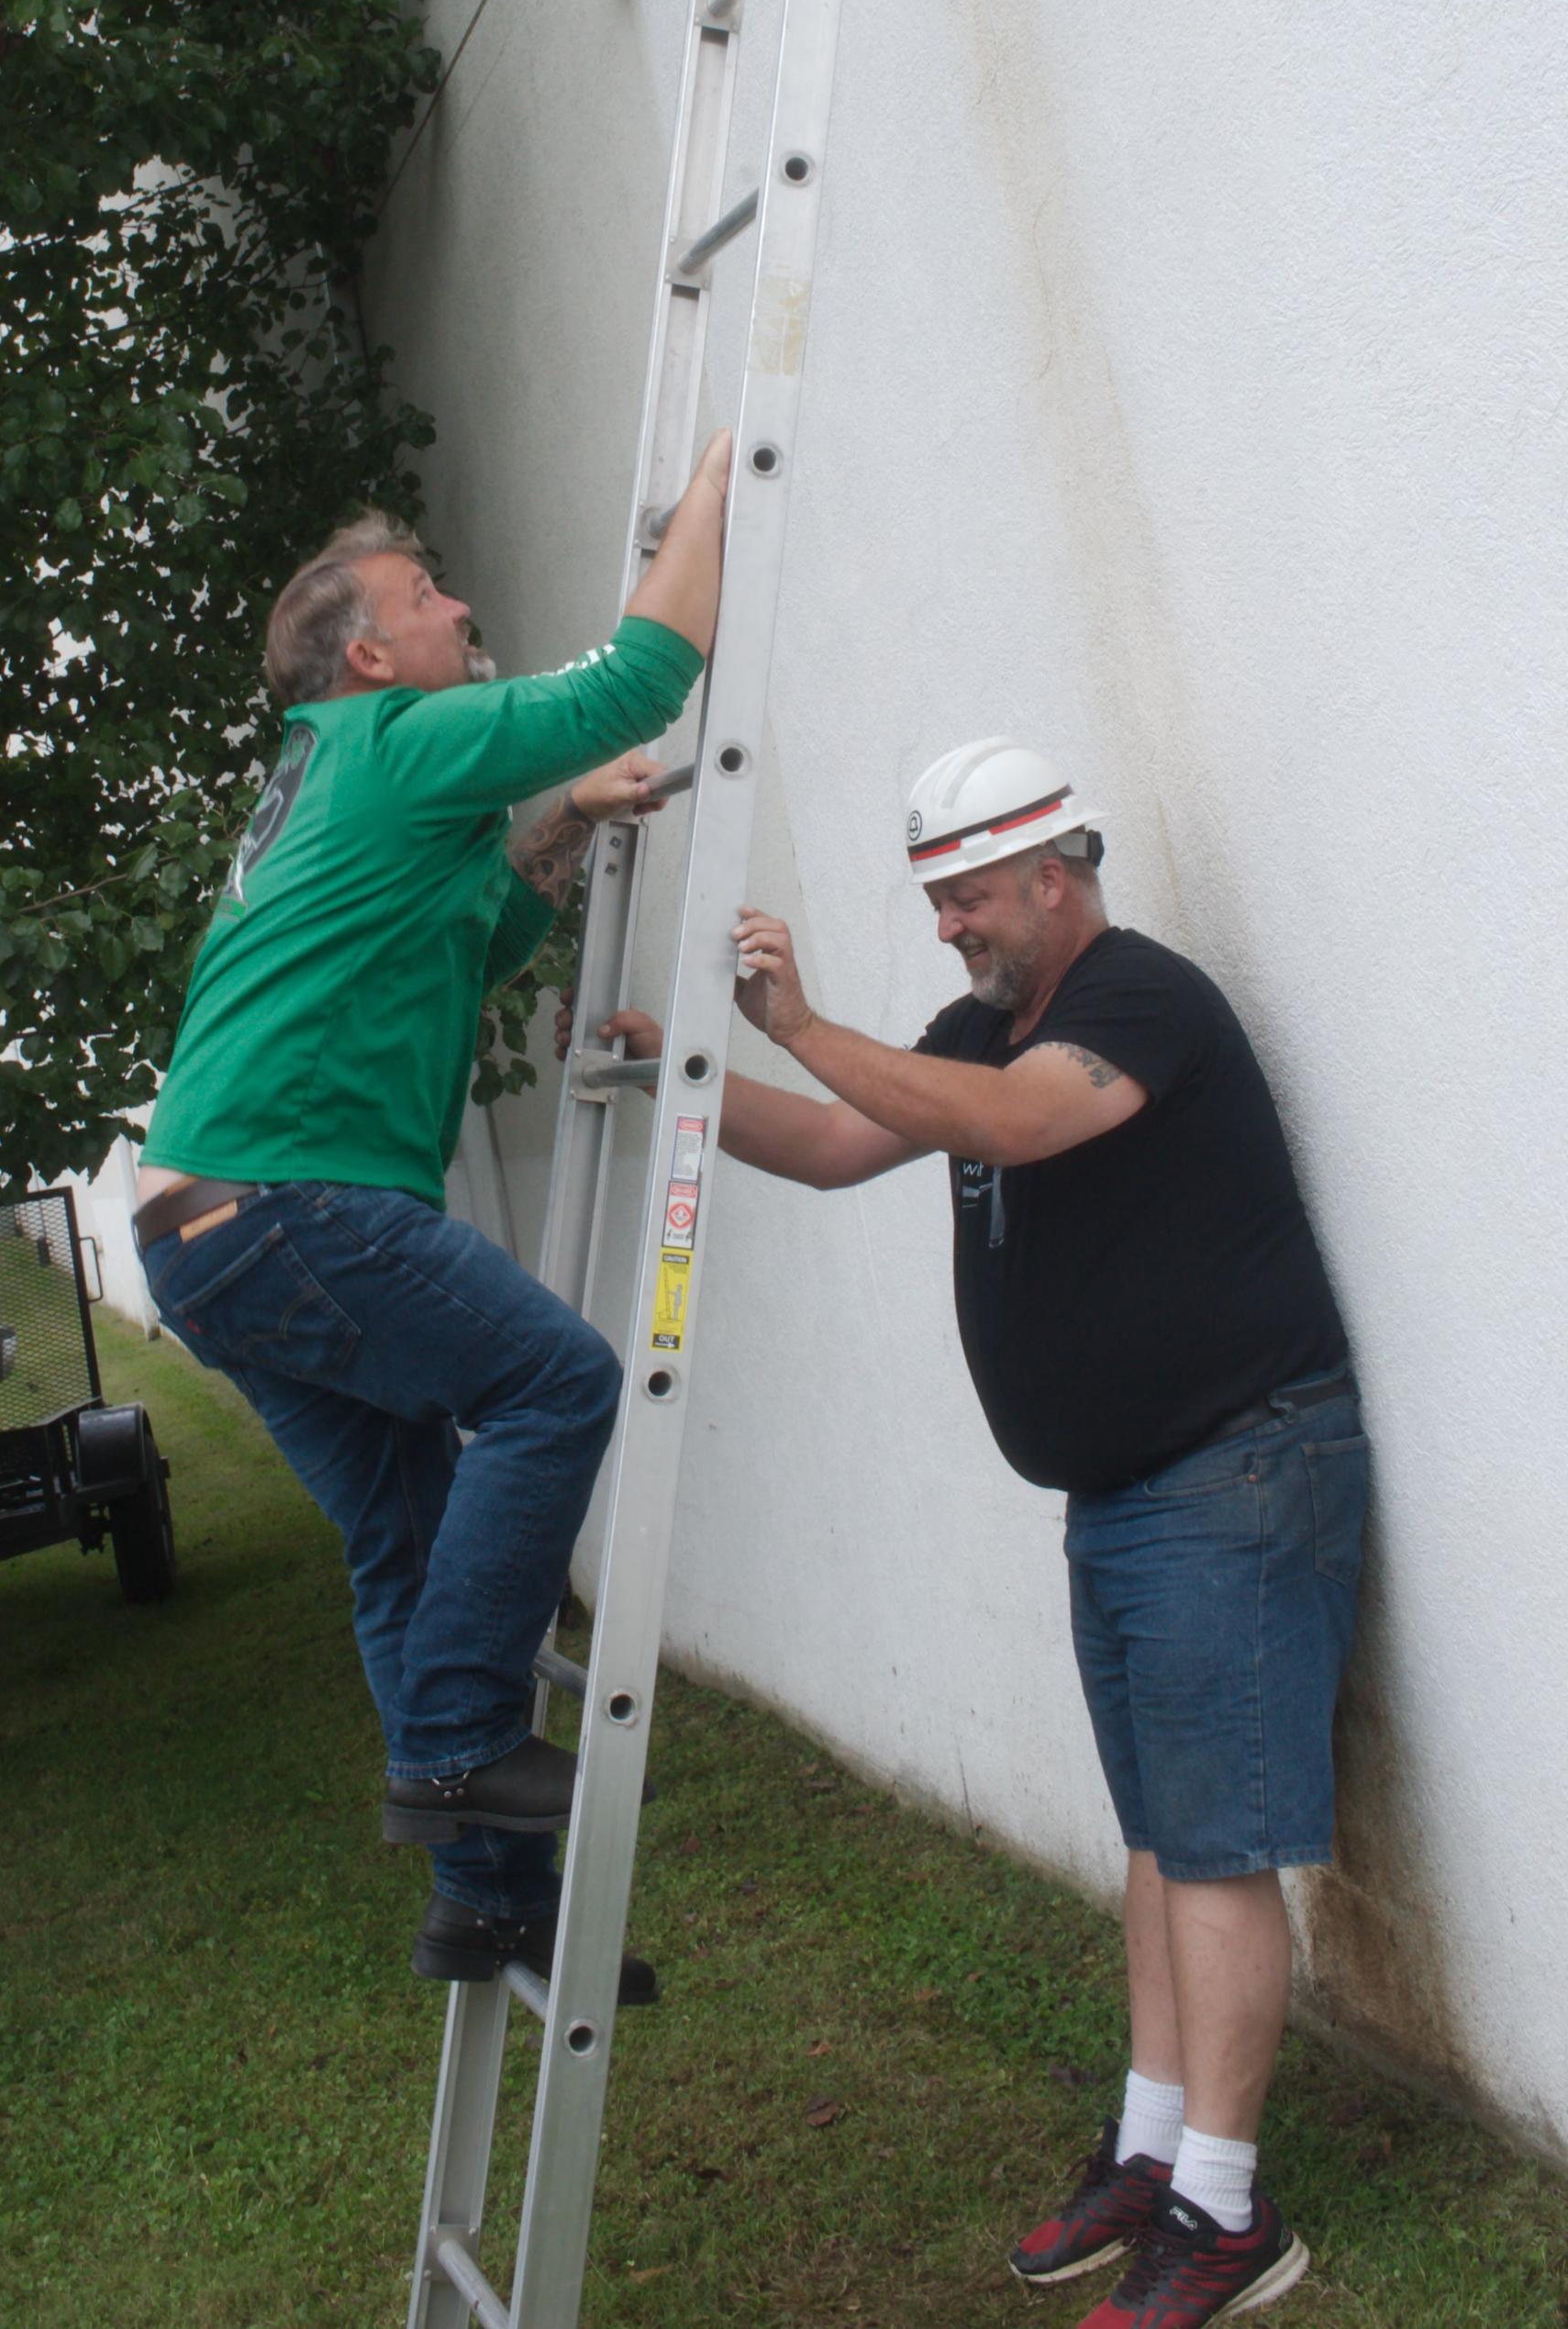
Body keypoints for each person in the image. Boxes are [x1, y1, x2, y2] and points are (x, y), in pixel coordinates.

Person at [603, 738, 1366, 2326]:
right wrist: (682, 1071)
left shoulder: (1141, 1001)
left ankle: (1227, 2214)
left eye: (967, 899)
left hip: (1232, 1470)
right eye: (935, 902)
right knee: (1163, 1839)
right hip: (1130, 1493)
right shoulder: (976, 1031)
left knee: (1215, 1853)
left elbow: (1012, 1126)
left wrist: (802, 1023)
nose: (948, 928)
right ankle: (1152, 2150)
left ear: (1054, 874)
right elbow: (838, 1147)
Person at [133, 434, 729, 1997]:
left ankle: (483, 1899)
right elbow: (633, 681)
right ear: (368, 653)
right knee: (557, 1382)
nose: (461, 607)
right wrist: (718, 489)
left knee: (404, 1538)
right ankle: (458, 1742)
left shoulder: (351, 788)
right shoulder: (390, 738)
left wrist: (571, 817)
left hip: (206, 1234)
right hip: (289, 1200)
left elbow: (487, 938)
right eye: (427, 595)